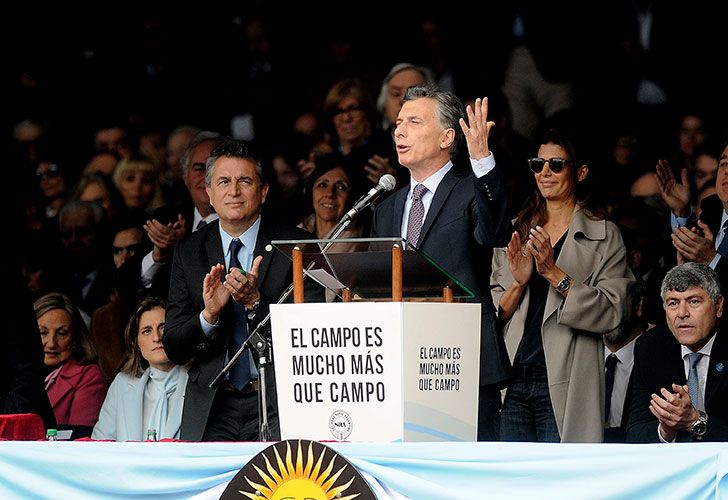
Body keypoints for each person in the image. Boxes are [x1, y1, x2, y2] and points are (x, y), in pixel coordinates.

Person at [370, 84, 512, 440]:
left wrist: (482, 159)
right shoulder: (386, 207)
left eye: (414, 122)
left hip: (463, 362)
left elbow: (494, 232)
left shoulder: (470, 188)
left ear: (447, 137)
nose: (399, 130)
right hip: (402, 363)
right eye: (398, 122)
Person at [163, 138, 323, 441]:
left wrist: (256, 303)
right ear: (209, 193)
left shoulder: (298, 246)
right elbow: (173, 345)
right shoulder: (189, 251)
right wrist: (208, 316)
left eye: (244, 181)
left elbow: (313, 337)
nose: (233, 191)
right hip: (213, 406)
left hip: (278, 402)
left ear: (262, 192)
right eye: (223, 181)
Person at [491, 128, 634, 442]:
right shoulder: (517, 230)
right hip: (513, 376)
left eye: (556, 165)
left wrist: (556, 275)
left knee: (556, 482)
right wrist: (518, 283)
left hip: (566, 378)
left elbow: (614, 311)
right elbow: (495, 312)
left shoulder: (604, 234)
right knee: (512, 484)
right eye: (537, 164)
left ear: (580, 172)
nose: (545, 172)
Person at [627, 262, 728, 442]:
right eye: (673, 303)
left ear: (718, 305)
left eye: (694, 301)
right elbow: (635, 431)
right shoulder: (650, 348)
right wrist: (666, 429)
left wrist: (694, 421)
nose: (682, 313)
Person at [92, 297, 188, 441]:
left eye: (163, 327)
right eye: (146, 331)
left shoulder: (197, 380)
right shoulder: (122, 384)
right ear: (136, 343)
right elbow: (100, 445)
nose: (157, 337)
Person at [35, 292, 107, 435]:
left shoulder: (89, 377)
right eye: (42, 332)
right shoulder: (15, 373)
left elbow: (80, 441)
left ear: (75, 338)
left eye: (61, 333)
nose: (51, 343)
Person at [603, 279, 649, 443]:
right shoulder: (579, 358)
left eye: (616, 303)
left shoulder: (657, 356)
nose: (609, 315)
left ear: (638, 306)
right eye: (600, 303)